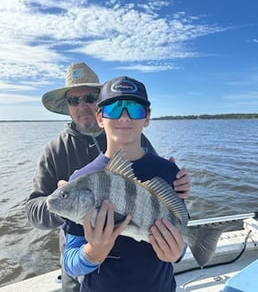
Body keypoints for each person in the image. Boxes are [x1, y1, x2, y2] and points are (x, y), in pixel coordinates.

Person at [25, 62, 190, 292]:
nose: (124, 117)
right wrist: (66, 203)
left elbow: (156, 191)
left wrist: (177, 183)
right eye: (74, 100)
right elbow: (36, 213)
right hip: (90, 275)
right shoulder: (56, 150)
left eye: (90, 98)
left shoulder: (144, 145)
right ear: (102, 116)